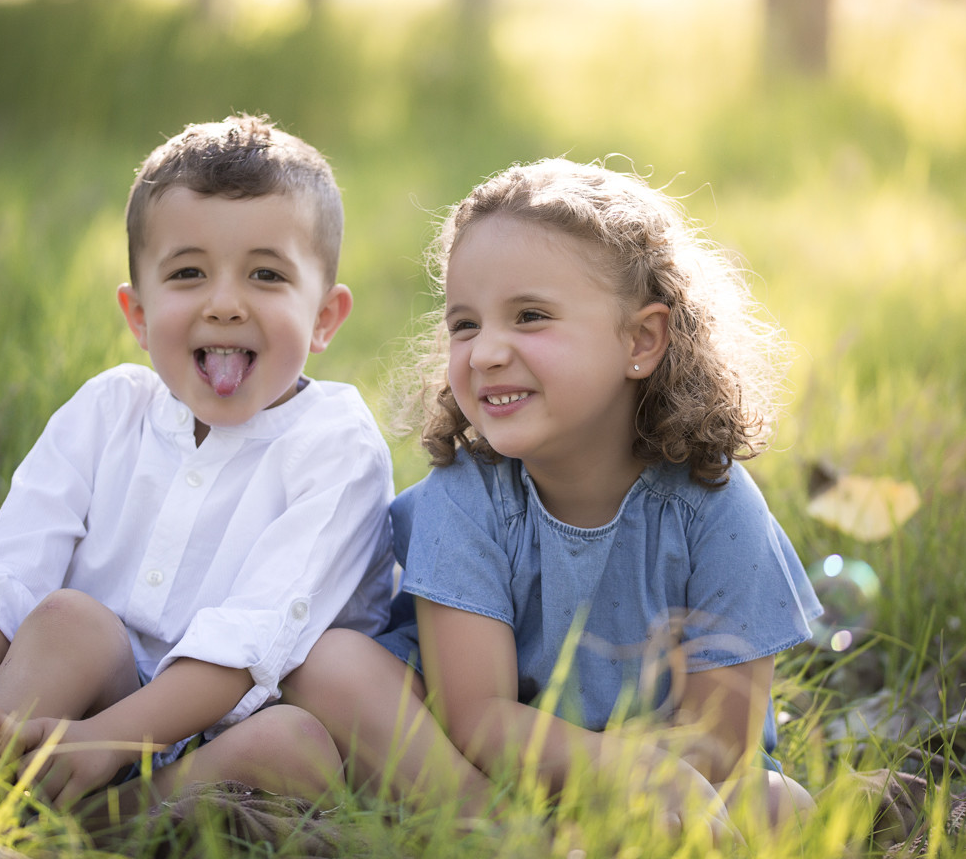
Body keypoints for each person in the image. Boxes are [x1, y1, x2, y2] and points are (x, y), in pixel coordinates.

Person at [283, 158, 823, 834]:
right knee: (329, 663)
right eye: (465, 325)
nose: (485, 353)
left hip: (663, 772)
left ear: (642, 340)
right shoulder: (468, 495)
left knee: (780, 807)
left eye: (530, 317)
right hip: (475, 763)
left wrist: (639, 781)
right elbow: (477, 718)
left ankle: (571, 834)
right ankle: (504, 836)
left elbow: (721, 743)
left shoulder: (713, 507)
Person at [0, 114, 395, 815]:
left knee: (294, 744)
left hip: (228, 733)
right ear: (138, 315)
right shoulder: (109, 410)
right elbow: (10, 564)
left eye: (266, 274)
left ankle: (110, 824)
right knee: (66, 619)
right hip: (80, 704)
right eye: (188, 273)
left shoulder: (336, 446)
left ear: (325, 316)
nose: (225, 303)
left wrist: (108, 742)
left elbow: (252, 637)